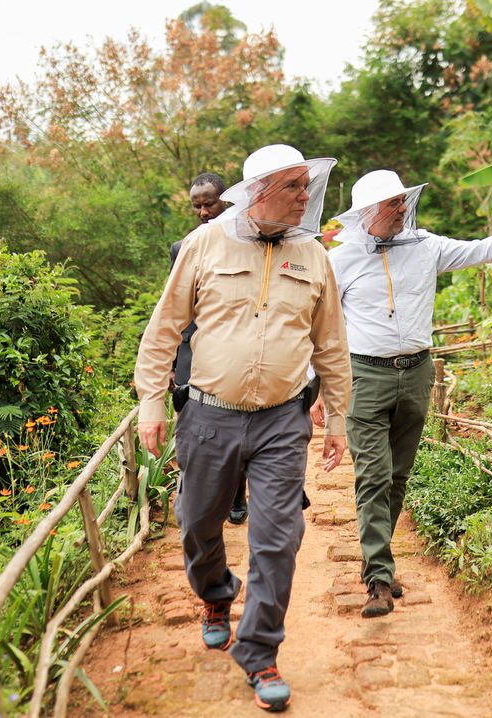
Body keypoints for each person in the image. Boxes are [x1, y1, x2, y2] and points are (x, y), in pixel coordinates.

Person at [135, 144, 352, 712]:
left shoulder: (313, 255)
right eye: (295, 188)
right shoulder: (205, 243)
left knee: (279, 538)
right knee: (197, 521)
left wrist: (338, 420)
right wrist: (151, 404)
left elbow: (331, 342)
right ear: (259, 191)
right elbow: (165, 329)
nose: (308, 198)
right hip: (208, 415)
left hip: (284, 419)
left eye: (308, 186)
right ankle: (214, 595)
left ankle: (259, 651)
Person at [311, 169, 492, 618]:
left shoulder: (425, 246)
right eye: (393, 204)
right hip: (363, 377)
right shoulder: (339, 261)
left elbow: (485, 250)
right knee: (373, 476)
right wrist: (321, 387)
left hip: (416, 374)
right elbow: (322, 326)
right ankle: (378, 577)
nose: (402, 209)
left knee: (396, 476)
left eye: (402, 201)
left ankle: (377, 559)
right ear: (368, 213)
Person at [169, 172, 248, 525]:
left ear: (226, 201)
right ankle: (199, 499)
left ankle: (235, 493)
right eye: (196, 206)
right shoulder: (181, 248)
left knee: (233, 419)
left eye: (209, 204)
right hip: (192, 350)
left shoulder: (247, 243)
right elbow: (173, 310)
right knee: (191, 422)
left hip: (231, 348)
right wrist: (170, 363)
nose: (202, 212)